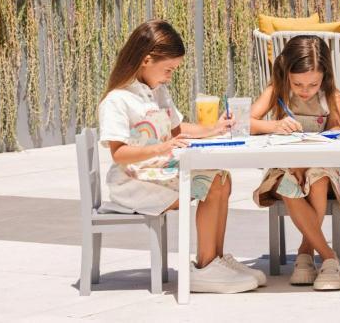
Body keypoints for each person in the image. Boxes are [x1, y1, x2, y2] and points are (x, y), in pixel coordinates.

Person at [98, 20, 265, 294]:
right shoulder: (118, 100)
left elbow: (177, 129)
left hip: (158, 173)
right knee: (212, 183)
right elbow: (119, 154)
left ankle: (215, 259)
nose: (169, 76)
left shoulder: (157, 92)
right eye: (168, 70)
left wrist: (213, 129)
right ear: (146, 60)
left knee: (222, 177)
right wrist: (160, 148)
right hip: (133, 183)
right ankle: (204, 267)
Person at [250, 35, 340, 291]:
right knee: (289, 182)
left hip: (321, 166)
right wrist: (274, 125)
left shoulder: (332, 97)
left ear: (325, 76)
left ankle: (305, 251)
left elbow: (334, 136)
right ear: (286, 73)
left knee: (317, 179)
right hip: (285, 167)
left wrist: (306, 162)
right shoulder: (277, 91)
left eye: (313, 84)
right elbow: (247, 122)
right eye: (298, 83)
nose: (305, 90)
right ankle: (329, 257)